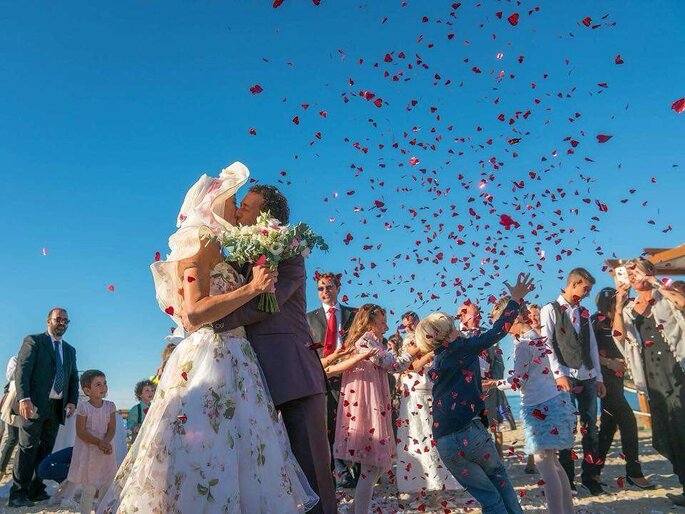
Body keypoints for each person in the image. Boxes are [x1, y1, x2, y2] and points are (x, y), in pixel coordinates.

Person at [97, 163, 318, 513]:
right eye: (234, 201)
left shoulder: (227, 251)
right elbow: (196, 311)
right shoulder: (199, 245)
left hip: (240, 362)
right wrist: (251, 288)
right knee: (204, 448)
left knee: (240, 450)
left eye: (242, 203)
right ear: (213, 203)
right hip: (209, 360)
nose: (238, 208)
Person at [212, 182, 336, 513]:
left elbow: (267, 303)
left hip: (292, 375)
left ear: (265, 216)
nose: (239, 211)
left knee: (313, 472)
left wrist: (212, 321)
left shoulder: (289, 251)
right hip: (246, 380)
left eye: (247, 207)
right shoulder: (234, 256)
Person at [414, 272, 534, 514]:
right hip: (470, 432)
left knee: (489, 499)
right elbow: (498, 331)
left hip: (445, 442)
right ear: (448, 332)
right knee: (501, 483)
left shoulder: (437, 363)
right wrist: (515, 300)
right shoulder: (462, 348)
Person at [486, 297, 576, 514]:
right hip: (552, 403)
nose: (501, 326)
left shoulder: (524, 344)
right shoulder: (534, 337)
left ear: (513, 317)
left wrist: (493, 383)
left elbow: (518, 381)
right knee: (553, 462)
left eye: (502, 321)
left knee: (544, 464)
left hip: (539, 407)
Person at [613, 258, 685, 507]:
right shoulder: (628, 308)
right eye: (629, 273)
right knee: (666, 433)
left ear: (650, 271)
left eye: (636, 272)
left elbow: (682, 303)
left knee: (683, 428)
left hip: (676, 368)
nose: (632, 277)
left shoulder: (666, 294)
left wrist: (655, 282)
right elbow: (618, 336)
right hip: (651, 376)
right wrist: (619, 303)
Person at [333, 304, 419, 514]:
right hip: (367, 409)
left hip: (374, 405)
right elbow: (394, 365)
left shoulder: (371, 341)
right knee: (372, 466)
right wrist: (412, 352)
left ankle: (354, 510)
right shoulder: (365, 342)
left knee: (378, 465)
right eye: (381, 322)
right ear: (370, 322)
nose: (386, 326)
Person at [540, 267, 606, 495]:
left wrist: (598, 377)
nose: (587, 293)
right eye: (585, 288)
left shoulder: (585, 313)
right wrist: (559, 373)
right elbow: (546, 343)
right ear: (574, 283)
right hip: (565, 377)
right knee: (566, 428)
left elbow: (593, 346)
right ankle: (568, 482)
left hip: (587, 377)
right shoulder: (549, 309)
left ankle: (591, 478)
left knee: (591, 429)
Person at [9, 308, 80, 508]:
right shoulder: (34, 341)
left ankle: (35, 488)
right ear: (48, 320)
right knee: (27, 448)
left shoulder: (69, 350)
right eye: (58, 319)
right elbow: (22, 371)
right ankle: (18, 493)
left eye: (66, 320)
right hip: (33, 405)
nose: (62, 323)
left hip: (56, 407)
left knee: (45, 450)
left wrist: (72, 400)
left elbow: (73, 377)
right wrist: (24, 399)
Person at [592, 287, 654, 490]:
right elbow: (587, 353)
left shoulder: (622, 318)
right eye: (611, 305)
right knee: (628, 421)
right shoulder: (595, 322)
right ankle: (634, 473)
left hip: (618, 379)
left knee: (608, 428)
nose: (615, 308)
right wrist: (609, 363)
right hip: (604, 380)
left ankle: (593, 472)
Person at [395, 311, 461, 501]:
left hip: (432, 392)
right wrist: (431, 353)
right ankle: (419, 483)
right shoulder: (409, 344)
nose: (409, 327)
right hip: (415, 395)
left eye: (411, 323)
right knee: (417, 438)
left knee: (435, 438)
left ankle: (442, 482)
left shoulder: (432, 338)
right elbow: (413, 367)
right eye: (405, 325)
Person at [306, 271, 358, 488]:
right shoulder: (309, 318)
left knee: (353, 422)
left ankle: (358, 467)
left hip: (351, 373)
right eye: (321, 288)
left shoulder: (353, 314)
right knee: (328, 423)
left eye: (329, 287)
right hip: (323, 374)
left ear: (338, 288)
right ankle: (340, 470)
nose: (325, 291)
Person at [457, 301, 515, 459]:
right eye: (474, 314)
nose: (479, 317)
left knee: (492, 425)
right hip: (464, 391)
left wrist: (494, 383)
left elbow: (498, 362)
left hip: (487, 387)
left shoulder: (486, 334)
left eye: (479, 314)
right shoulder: (455, 336)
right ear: (462, 315)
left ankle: (498, 458)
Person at [67, 370, 118, 514]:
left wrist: (106, 442)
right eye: (98, 384)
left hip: (106, 450)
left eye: (105, 383)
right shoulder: (84, 407)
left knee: (106, 484)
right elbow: (81, 431)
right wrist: (98, 443)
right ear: (87, 390)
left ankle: (101, 510)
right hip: (89, 451)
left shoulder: (110, 406)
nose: (103, 387)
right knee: (89, 487)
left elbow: (112, 427)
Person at [0, 355, 18, 477]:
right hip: (14, 401)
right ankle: (1, 468)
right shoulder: (15, 359)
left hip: (31, 402)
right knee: (11, 438)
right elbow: (10, 376)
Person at [126, 379, 155, 445]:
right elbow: (130, 424)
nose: (150, 393)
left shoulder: (155, 408)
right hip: (140, 440)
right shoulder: (135, 409)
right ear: (140, 394)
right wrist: (136, 428)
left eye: (152, 390)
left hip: (152, 438)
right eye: (147, 390)